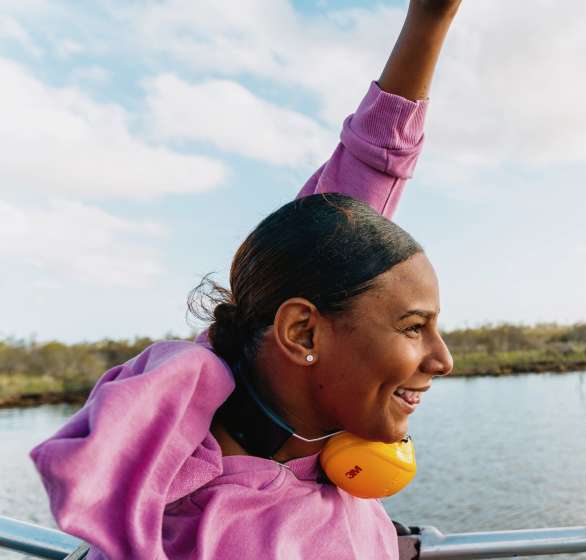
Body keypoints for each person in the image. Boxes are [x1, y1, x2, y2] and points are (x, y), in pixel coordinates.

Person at [30, 1, 460, 558]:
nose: (444, 359)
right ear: (303, 333)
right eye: (412, 327)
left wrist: (430, 19)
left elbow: (367, 177)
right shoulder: (241, 539)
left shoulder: (260, 368)